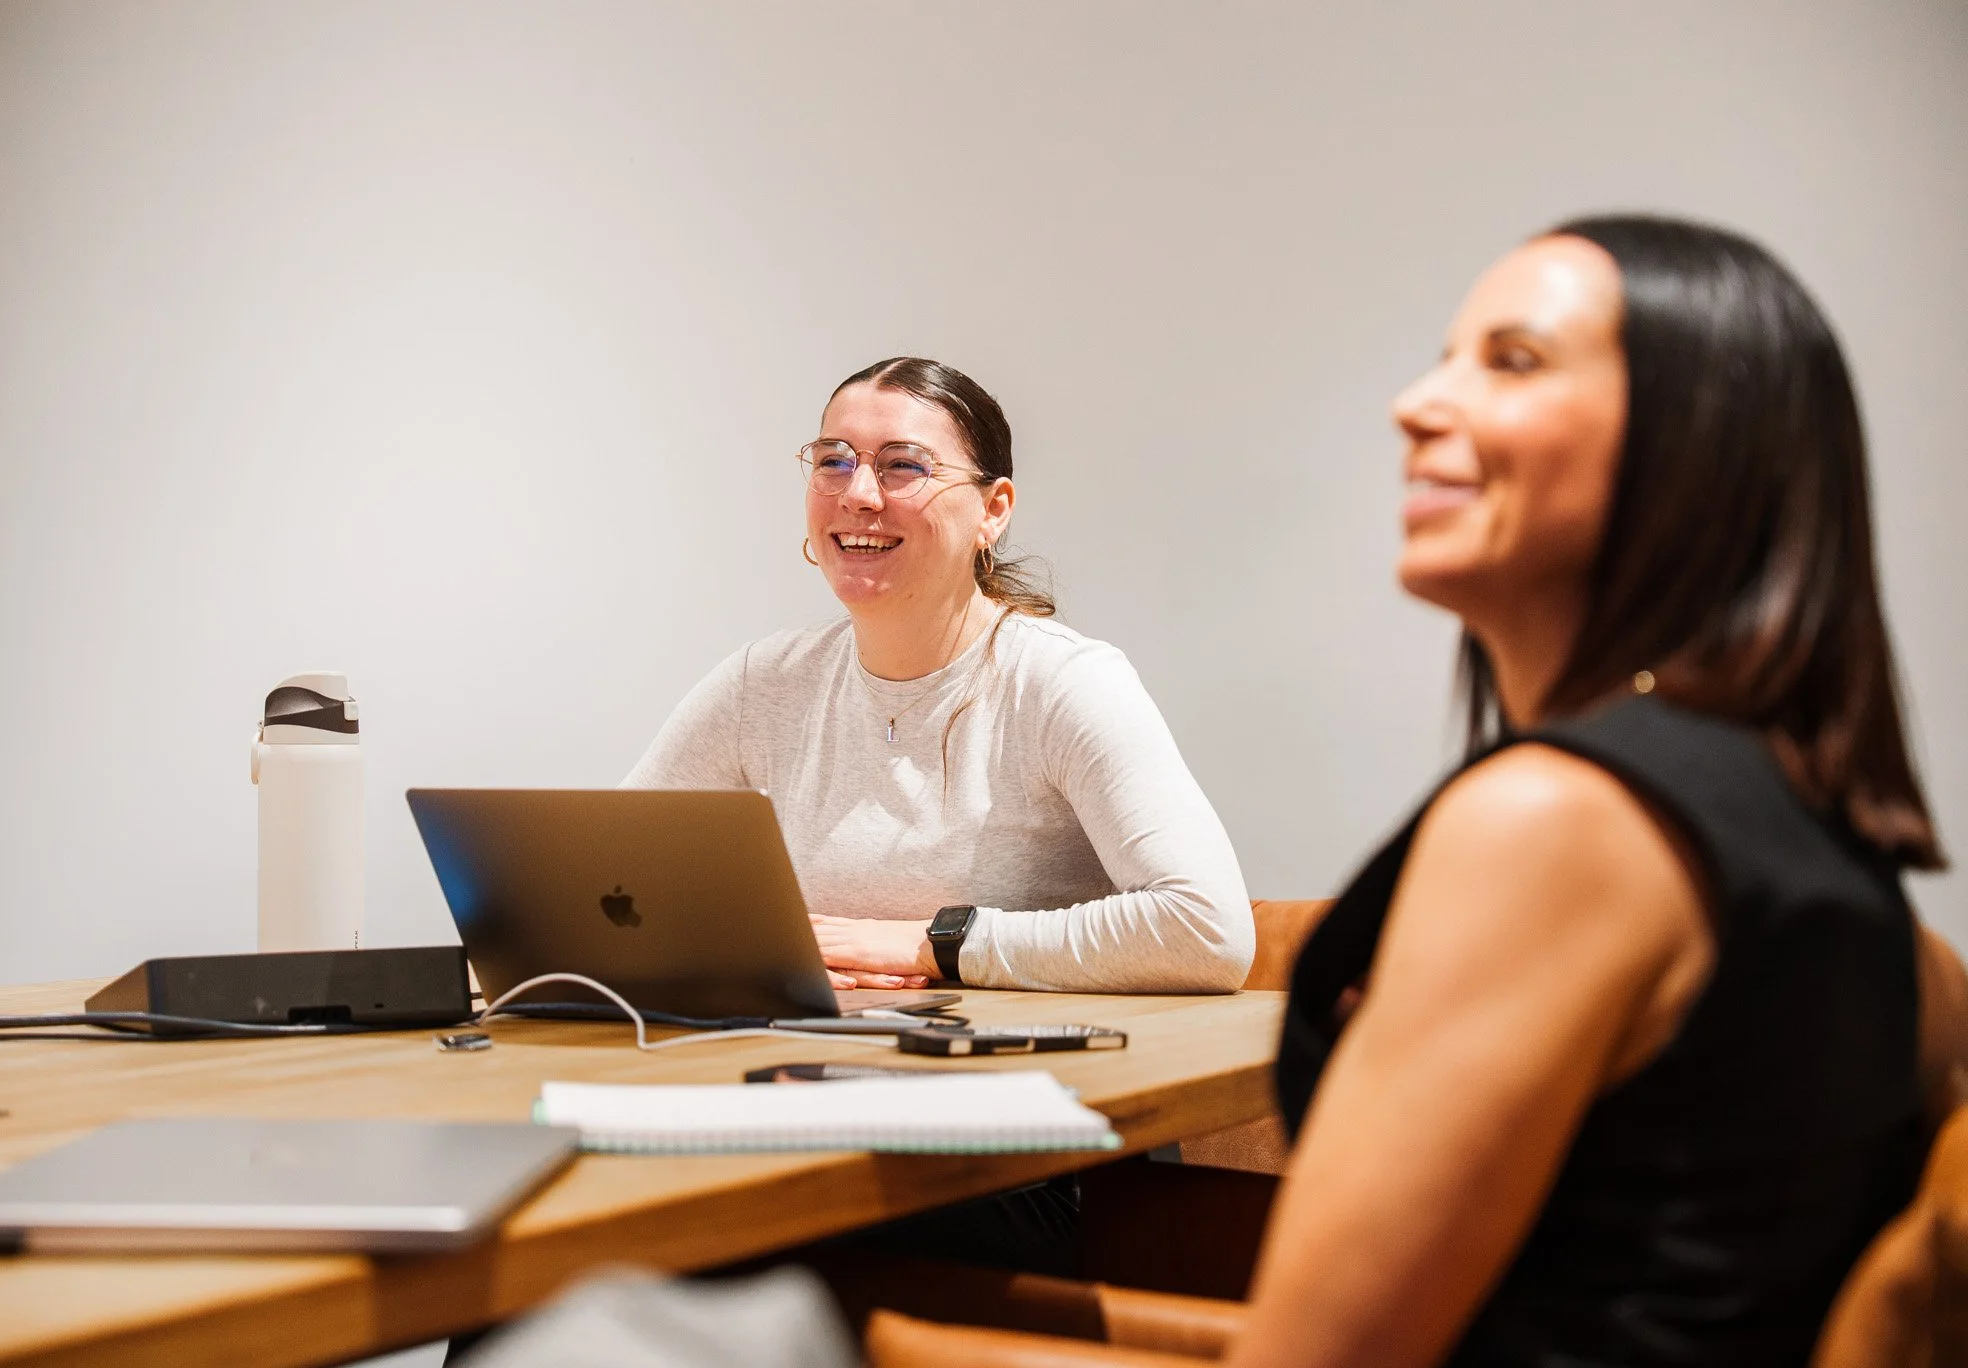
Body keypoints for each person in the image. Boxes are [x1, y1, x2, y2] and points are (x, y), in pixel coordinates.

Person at [1227, 217, 1968, 1367]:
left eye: (1510, 360)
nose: (1415, 402)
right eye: (1444, 354)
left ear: (1697, 447)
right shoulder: (1827, 845)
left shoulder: (1558, 821)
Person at [624, 356, 1252, 994]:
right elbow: (603, 883)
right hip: (808, 1061)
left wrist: (928, 944)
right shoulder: (763, 683)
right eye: (833, 460)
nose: (858, 493)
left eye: (902, 466)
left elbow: (1206, 930)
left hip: (1017, 1075)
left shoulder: (1065, 682)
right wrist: (767, 948)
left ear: (993, 510)